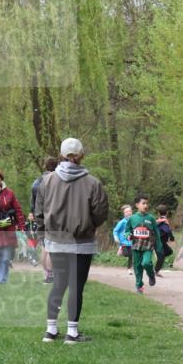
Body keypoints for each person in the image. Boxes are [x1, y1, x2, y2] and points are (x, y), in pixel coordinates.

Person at [35, 137, 108, 343]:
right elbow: (101, 212)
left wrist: (44, 235)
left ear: (61, 154)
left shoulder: (47, 181)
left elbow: (39, 210)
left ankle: (50, 330)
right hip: (82, 242)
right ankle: (72, 333)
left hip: (56, 240)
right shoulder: (93, 183)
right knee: (76, 286)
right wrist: (89, 224)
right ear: (81, 155)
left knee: (58, 284)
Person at [125, 196, 162, 294]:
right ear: (137, 205)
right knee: (137, 267)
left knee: (146, 263)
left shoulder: (151, 218)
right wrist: (128, 235)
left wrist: (159, 246)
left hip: (148, 246)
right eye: (143, 203)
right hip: (136, 246)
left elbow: (157, 233)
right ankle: (139, 285)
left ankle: (151, 275)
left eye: (147, 203)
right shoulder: (132, 218)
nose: (146, 205)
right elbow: (127, 230)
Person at [32, 157, 58, 282]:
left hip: (40, 217)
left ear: (45, 166)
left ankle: (46, 274)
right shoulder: (58, 180)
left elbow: (34, 202)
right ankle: (51, 275)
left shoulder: (37, 182)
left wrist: (35, 215)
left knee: (44, 246)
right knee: (52, 247)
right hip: (54, 217)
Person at [112, 205, 134, 275]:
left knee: (131, 255)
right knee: (126, 254)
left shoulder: (133, 220)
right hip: (123, 242)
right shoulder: (122, 222)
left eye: (130, 211)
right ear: (124, 214)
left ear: (132, 212)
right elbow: (115, 230)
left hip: (131, 241)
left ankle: (129, 268)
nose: (128, 213)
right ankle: (120, 248)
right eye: (126, 212)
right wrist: (116, 237)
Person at [154, 204, 175, 276]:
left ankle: (159, 258)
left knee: (169, 251)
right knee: (161, 256)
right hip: (158, 242)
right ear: (167, 212)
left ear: (158, 213)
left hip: (161, 241)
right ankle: (156, 271)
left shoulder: (158, 220)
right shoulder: (163, 222)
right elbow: (167, 231)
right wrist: (172, 238)